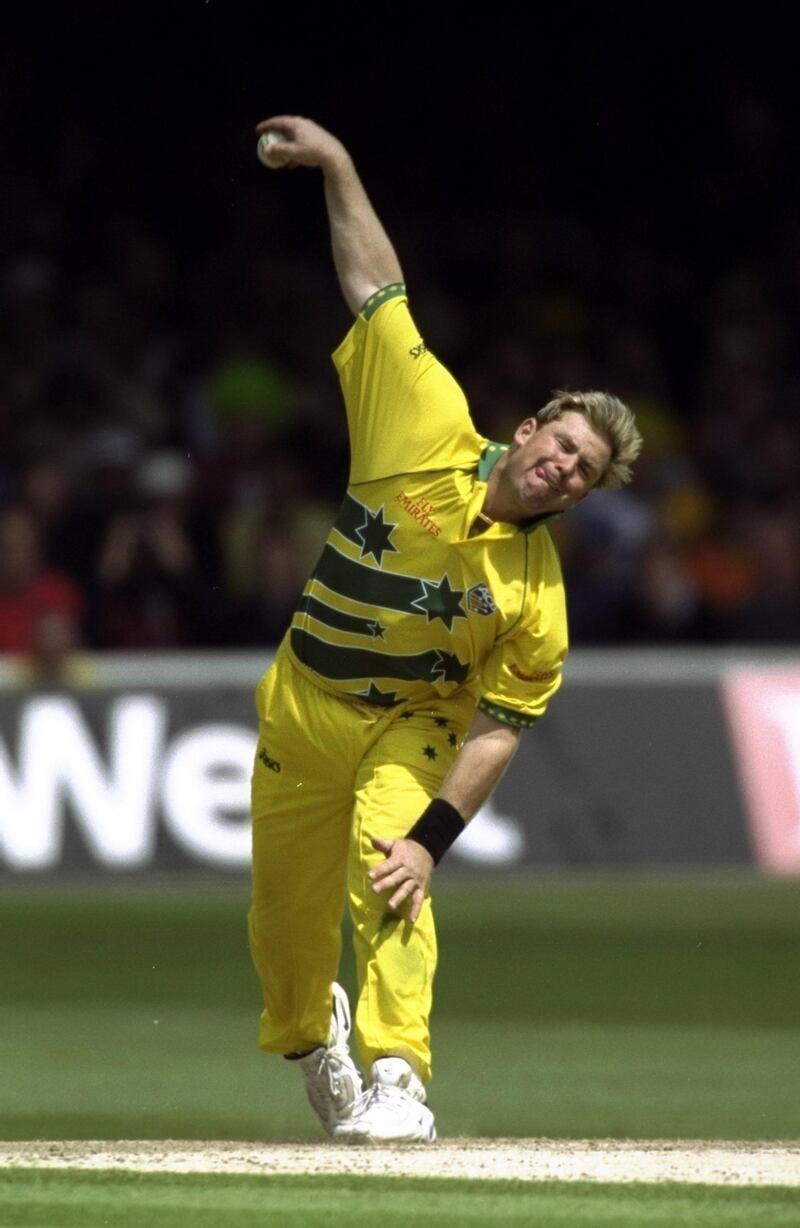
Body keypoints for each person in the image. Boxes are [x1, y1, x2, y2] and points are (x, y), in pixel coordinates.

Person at [247, 115, 643, 1144]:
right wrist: (338, 163)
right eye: (558, 446)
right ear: (526, 430)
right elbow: (375, 289)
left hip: (410, 727)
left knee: (389, 876)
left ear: (583, 494)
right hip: (303, 701)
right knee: (285, 930)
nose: (560, 469)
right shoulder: (420, 416)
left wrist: (429, 843)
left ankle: (396, 1076)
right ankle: (309, 1036)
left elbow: (498, 729)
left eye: (580, 473)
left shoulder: (534, 599)